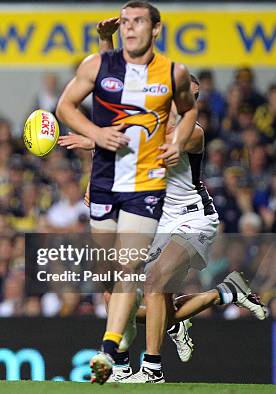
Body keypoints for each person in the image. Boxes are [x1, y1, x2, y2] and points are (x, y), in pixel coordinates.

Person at [60, 17, 267, 383]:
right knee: (117, 298)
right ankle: (224, 293)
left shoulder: (194, 133)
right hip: (157, 223)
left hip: (193, 221)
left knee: (154, 283)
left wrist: (95, 142)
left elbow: (147, 146)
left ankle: (152, 369)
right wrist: (105, 41)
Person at [55, 1, 198, 384]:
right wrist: (95, 134)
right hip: (104, 181)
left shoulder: (173, 72)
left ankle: (107, 351)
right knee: (110, 279)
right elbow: (65, 106)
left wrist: (179, 142)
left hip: (146, 185)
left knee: (129, 265)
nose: (130, 28)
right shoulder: (97, 65)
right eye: (125, 22)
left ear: (156, 29)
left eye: (138, 22)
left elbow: (188, 111)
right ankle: (124, 342)